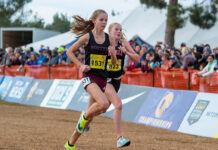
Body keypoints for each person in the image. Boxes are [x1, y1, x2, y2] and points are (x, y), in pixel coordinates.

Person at [64, 9, 117, 150]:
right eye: (101, 20)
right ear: (94, 21)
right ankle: (84, 116)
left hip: (102, 79)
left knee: (89, 119)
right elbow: (69, 51)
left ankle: (70, 144)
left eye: (106, 20)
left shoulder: (109, 39)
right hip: (89, 77)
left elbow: (113, 63)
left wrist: (113, 55)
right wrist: (80, 65)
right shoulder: (87, 37)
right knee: (104, 104)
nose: (104, 22)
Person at [85, 22, 140, 148]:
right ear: (109, 32)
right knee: (118, 104)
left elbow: (137, 59)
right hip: (105, 79)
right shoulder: (104, 43)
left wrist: (127, 52)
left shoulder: (124, 43)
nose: (119, 32)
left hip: (116, 80)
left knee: (102, 108)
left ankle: (86, 119)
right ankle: (119, 138)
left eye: (120, 30)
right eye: (116, 29)